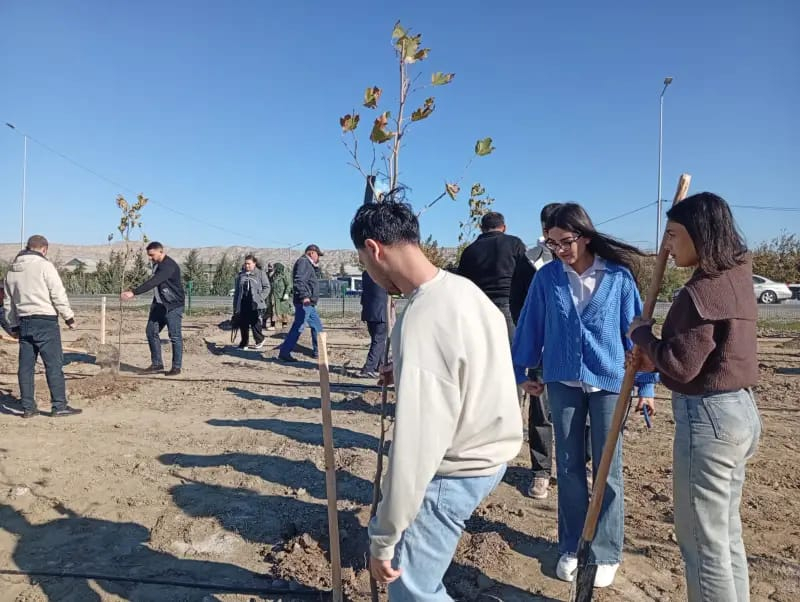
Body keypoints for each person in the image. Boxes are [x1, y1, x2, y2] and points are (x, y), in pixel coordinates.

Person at [351, 200, 523, 600]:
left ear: (375, 249)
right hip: (492, 452)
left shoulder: (423, 318)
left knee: (411, 590)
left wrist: (383, 538)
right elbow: (475, 367)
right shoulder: (465, 292)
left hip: (457, 468)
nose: (371, 276)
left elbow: (416, 450)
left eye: (365, 264)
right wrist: (411, 372)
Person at [512, 203, 657, 588]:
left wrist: (646, 386)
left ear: (586, 236)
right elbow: (530, 325)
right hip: (563, 383)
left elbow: (637, 334)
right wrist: (521, 370)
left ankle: (606, 550)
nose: (559, 249)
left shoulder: (618, 278)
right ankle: (572, 546)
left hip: (611, 382)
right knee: (570, 467)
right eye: (552, 242)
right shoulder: (547, 280)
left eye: (566, 241)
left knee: (607, 469)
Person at [628, 192, 760, 602]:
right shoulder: (737, 274)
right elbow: (701, 355)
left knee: (701, 542)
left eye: (672, 235)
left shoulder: (701, 293)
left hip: (710, 420)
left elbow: (681, 364)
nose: (666, 245)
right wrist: (657, 353)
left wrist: (642, 336)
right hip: (740, 412)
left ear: (699, 235)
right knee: (723, 535)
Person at [3, 235, 82, 417]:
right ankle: (59, 406)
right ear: (44, 249)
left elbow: (8, 303)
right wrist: (69, 317)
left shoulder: (11, 271)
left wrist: (13, 326)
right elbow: (57, 293)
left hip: (24, 322)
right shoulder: (45, 266)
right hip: (45, 321)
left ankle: (28, 408)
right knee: (53, 365)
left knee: (25, 368)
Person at [457, 211, 527, 341]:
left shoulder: (469, 251)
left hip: (479, 309)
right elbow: (527, 276)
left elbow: (461, 284)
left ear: (481, 228)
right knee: (514, 355)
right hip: (509, 306)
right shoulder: (514, 244)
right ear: (504, 227)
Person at [121, 241, 185, 376]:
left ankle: (176, 367)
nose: (150, 258)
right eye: (148, 255)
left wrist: (134, 292)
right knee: (151, 331)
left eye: (152, 255)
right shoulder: (157, 264)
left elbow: (154, 282)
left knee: (174, 336)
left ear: (161, 251)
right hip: (159, 305)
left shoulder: (168, 266)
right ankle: (157, 364)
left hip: (173, 306)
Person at [277, 244, 325, 362]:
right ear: (312, 253)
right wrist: (304, 296)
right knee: (298, 327)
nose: (318, 258)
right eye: (318, 255)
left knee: (317, 327)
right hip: (305, 302)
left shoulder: (308, 264)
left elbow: (310, 279)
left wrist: (316, 267)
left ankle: (318, 352)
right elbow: (299, 280)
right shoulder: (303, 262)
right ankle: (284, 352)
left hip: (309, 304)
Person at [232, 255, 271, 350]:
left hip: (255, 302)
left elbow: (267, 287)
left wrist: (260, 297)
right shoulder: (241, 275)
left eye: (249, 263)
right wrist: (235, 305)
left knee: (254, 322)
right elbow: (237, 291)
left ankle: (260, 340)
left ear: (254, 263)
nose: (247, 265)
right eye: (245, 263)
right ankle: (244, 343)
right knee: (243, 322)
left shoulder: (260, 274)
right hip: (243, 302)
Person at [358, 269, 388, 379]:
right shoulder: (385, 273)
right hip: (380, 312)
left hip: (369, 312)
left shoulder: (366, 273)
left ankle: (380, 365)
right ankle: (368, 368)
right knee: (378, 341)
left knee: (378, 340)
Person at [270, 262, 293, 331]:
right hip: (275, 295)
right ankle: (273, 324)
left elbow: (289, 285)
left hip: (282, 296)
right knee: (274, 310)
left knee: (284, 310)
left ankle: (284, 324)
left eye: (275, 267)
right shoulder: (274, 275)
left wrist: (286, 293)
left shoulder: (285, 275)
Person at [263, 263, 276, 330]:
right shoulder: (265, 274)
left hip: (274, 294)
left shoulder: (276, 275)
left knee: (273, 310)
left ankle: (272, 324)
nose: (269, 268)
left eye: (271, 266)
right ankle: (263, 324)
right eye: (269, 266)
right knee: (266, 309)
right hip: (267, 294)